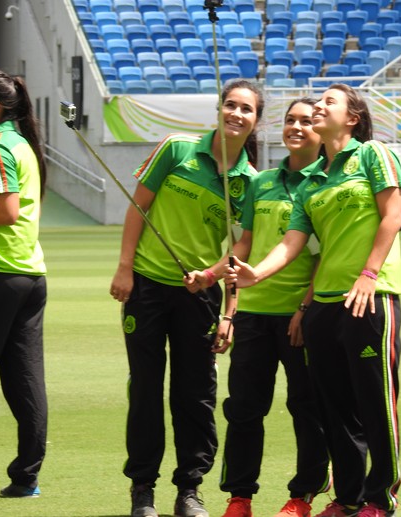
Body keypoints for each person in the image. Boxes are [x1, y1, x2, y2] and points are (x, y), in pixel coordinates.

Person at [225, 84, 401, 517]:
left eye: (328, 102)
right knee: (335, 411)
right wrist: (255, 273)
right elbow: (291, 244)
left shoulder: (373, 155)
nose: (318, 107)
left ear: (353, 117)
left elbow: (393, 216)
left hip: (370, 296)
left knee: (375, 403)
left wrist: (367, 274)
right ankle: (346, 499)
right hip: (325, 306)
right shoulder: (314, 181)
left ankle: (380, 498)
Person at [109, 80, 264, 517]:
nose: (235, 114)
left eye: (246, 109)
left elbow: (239, 253)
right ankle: (143, 489)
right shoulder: (176, 149)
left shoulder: (249, 182)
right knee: (144, 389)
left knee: (194, 396)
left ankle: (189, 490)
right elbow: (137, 206)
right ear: (218, 110)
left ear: (256, 120)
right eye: (229, 105)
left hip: (200, 297)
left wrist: (229, 314)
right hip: (146, 286)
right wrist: (124, 268)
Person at [185, 98, 331, 517]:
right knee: (245, 408)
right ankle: (239, 496)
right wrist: (229, 310)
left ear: (320, 130)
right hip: (253, 315)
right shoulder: (261, 182)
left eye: (306, 121)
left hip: (300, 315)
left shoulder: (324, 182)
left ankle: (302, 495)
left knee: (306, 407)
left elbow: (326, 257)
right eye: (289, 120)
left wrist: (305, 307)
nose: (297, 127)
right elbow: (243, 247)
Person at [0, 68, 48, 500]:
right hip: (29, 273)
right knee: (24, 380)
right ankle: (26, 477)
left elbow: (5, 211)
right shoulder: (20, 143)